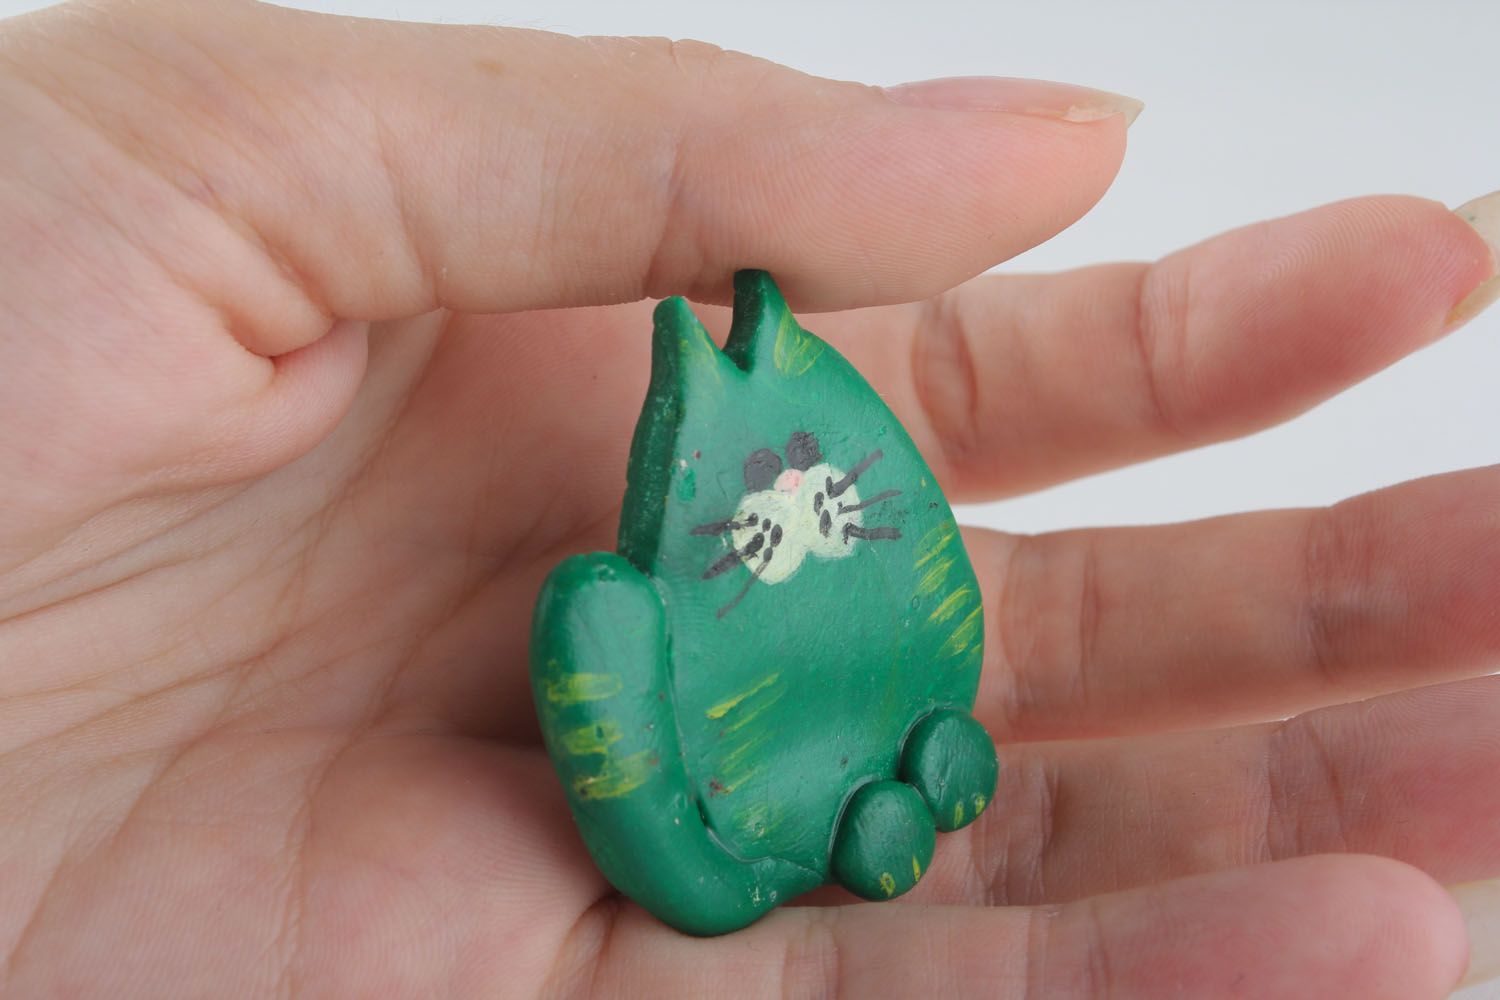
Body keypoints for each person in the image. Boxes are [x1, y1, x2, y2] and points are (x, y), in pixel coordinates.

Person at [1, 2, 1497, 996]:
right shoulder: (687, 554)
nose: (809, 516)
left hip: (878, 713)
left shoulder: (863, 522)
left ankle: (883, 783)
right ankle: (810, 823)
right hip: (736, 788)